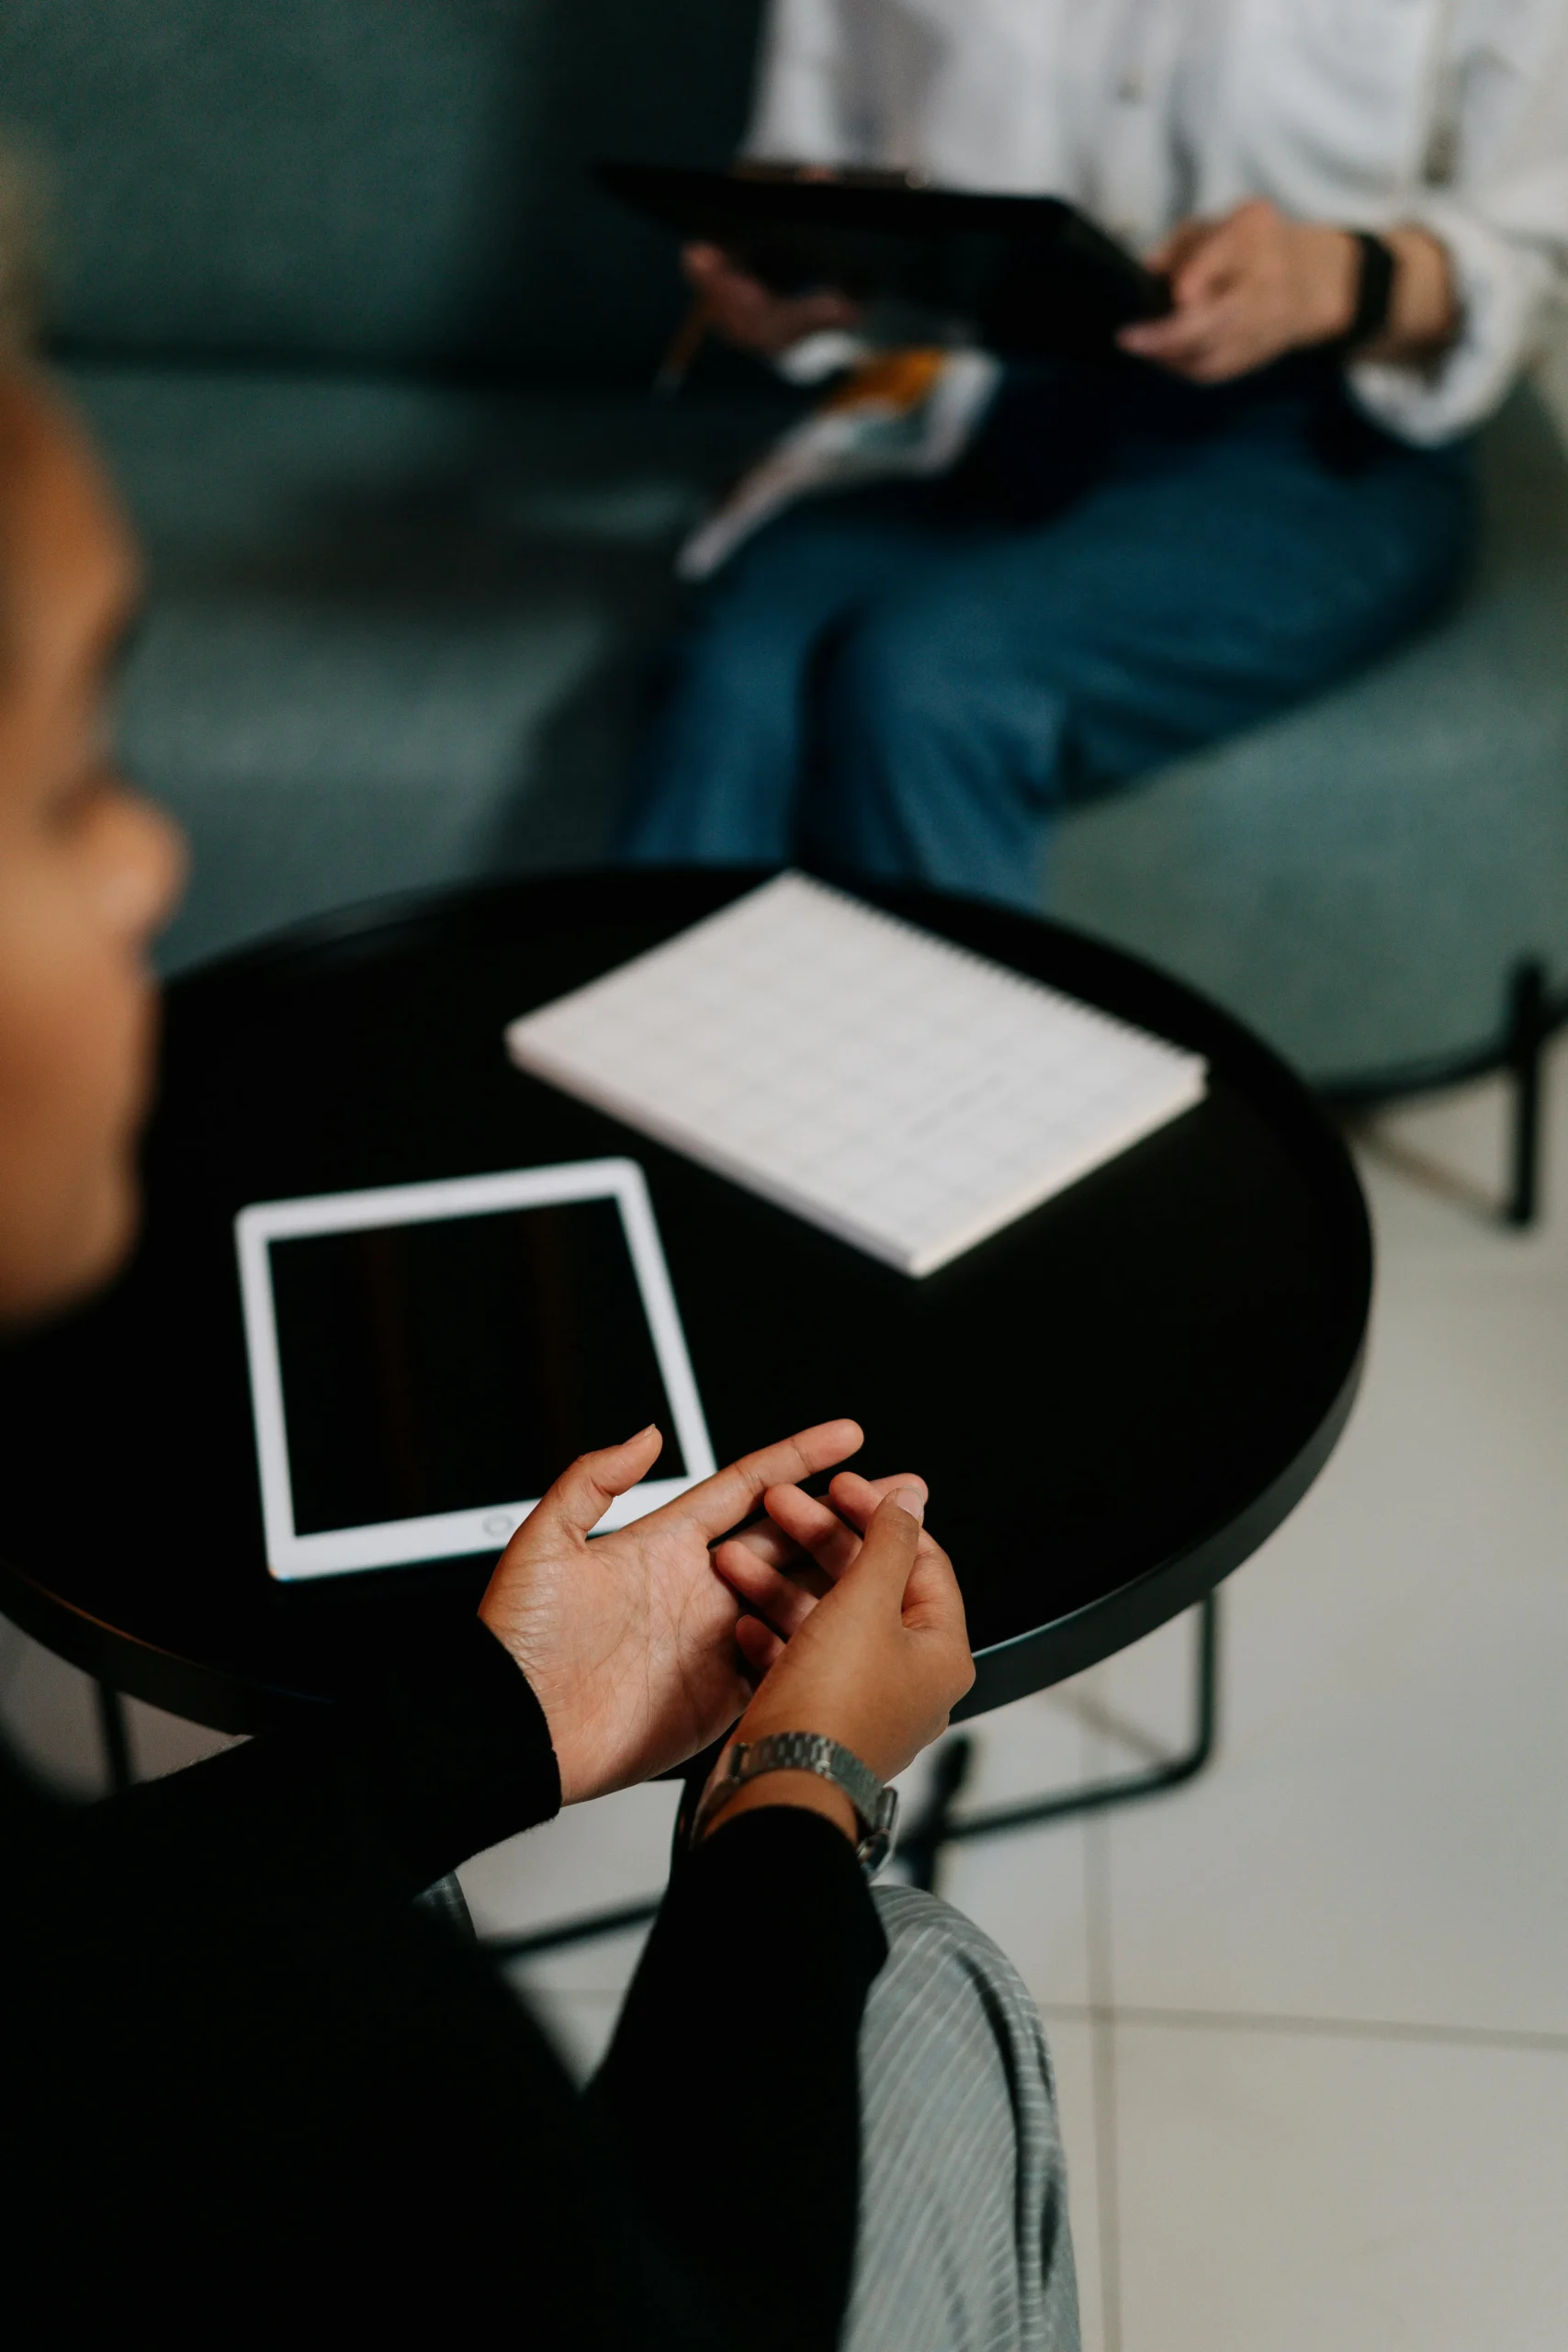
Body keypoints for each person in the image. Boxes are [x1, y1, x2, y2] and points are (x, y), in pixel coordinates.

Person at [0, 338, 1080, 2345]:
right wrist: (795, 1791)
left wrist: (508, 1717)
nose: (152, 858)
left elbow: (64, 1954)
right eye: (64, 785)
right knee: (922, 1979)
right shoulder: (324, 2067)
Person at [623, 0, 1568, 911]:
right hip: (984, 402)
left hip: (1320, 435)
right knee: (738, 679)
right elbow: (810, 161)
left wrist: (1336, 278)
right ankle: (662, 1024)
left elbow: (1534, 248)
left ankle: (971, 1035)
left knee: (928, 681)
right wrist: (797, 271)